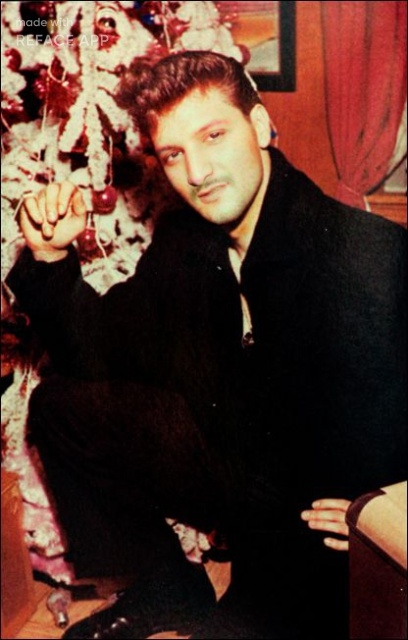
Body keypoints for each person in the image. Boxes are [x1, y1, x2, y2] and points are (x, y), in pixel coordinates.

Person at [5, 51, 406, 639]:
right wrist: (49, 257)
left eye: (213, 135)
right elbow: (99, 348)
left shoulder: (366, 254)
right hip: (241, 475)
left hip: (325, 525)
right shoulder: (187, 241)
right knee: (63, 405)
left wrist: (387, 507)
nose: (197, 172)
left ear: (261, 126)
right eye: (173, 153)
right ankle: (164, 585)